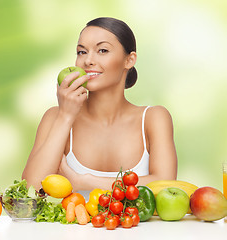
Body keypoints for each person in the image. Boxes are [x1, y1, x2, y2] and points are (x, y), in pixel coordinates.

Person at [22, 17, 177, 191]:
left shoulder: (153, 118)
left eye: (102, 50)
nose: (88, 61)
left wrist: (85, 182)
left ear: (129, 60)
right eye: (82, 52)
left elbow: (165, 185)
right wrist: (65, 116)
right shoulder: (54, 117)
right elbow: (30, 189)